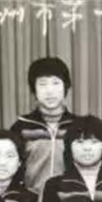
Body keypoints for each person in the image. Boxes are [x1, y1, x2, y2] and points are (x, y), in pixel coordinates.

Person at [11, 57, 77, 192]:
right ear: (33, 89)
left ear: (66, 87)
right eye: (43, 84)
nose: (50, 91)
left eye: (56, 83)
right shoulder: (22, 128)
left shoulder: (78, 126)